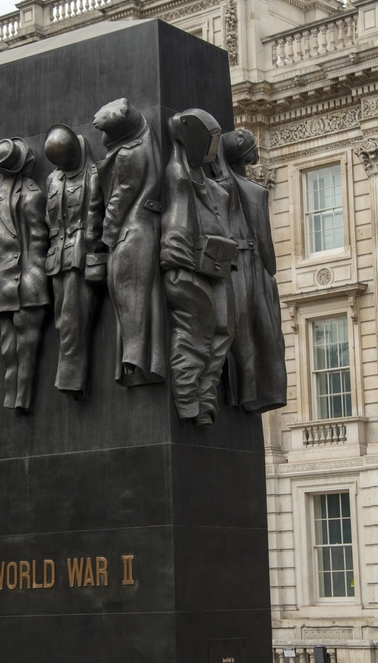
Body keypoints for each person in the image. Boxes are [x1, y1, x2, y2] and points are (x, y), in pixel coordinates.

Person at [160, 109, 236, 425]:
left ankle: (205, 397)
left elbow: (224, 189)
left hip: (216, 266)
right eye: (209, 140)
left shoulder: (210, 183)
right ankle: (188, 399)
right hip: (185, 264)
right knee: (196, 329)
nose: (213, 148)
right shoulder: (177, 174)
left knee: (224, 329)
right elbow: (176, 218)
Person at [210, 129, 286, 413]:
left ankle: (241, 391)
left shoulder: (213, 186)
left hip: (224, 264)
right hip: (250, 264)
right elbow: (265, 241)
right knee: (259, 334)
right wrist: (269, 271)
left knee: (237, 334)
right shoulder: (255, 191)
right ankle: (252, 394)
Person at [93, 99, 166, 387]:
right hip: (145, 228)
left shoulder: (127, 156)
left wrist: (107, 239)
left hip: (130, 234)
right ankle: (142, 359)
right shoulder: (147, 143)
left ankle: (134, 361)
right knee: (141, 300)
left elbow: (118, 202)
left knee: (129, 301)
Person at [0, 137, 49, 412]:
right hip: (8, 283)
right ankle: (15, 397)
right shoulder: (23, 195)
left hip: (19, 282)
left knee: (21, 346)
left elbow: (36, 240)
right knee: (12, 347)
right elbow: (39, 239)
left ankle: (20, 398)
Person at [44, 125, 107, 399]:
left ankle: (71, 380)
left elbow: (95, 218)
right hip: (57, 255)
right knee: (61, 319)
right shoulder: (53, 179)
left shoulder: (94, 175)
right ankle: (71, 376)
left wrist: (94, 254)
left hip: (81, 254)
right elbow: (50, 218)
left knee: (73, 319)